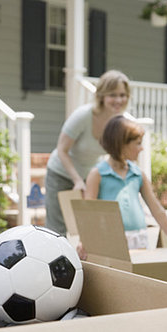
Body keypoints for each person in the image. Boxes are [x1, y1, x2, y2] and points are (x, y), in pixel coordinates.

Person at [84, 115, 167, 250]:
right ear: (121, 144)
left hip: (138, 240)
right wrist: (85, 241)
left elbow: (157, 209)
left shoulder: (138, 174)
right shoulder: (97, 174)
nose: (142, 148)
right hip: (109, 240)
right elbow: (87, 213)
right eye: (138, 143)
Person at [45, 70, 131, 235]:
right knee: (57, 230)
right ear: (102, 96)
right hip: (60, 173)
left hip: (89, 175)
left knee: (90, 227)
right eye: (113, 95)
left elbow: (117, 154)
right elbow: (62, 150)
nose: (119, 100)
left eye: (123, 95)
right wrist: (77, 180)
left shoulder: (119, 122)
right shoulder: (83, 116)